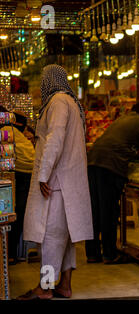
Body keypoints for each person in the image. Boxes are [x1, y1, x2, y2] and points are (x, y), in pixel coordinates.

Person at [17, 64, 93, 300]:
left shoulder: (58, 101)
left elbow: (55, 139)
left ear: (49, 80)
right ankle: (64, 285)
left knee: (50, 236)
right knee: (66, 237)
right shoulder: (70, 102)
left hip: (56, 182)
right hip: (67, 182)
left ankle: (46, 287)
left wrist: (43, 174)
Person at [85, 102, 139, 264]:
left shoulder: (121, 120)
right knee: (108, 211)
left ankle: (92, 253)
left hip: (93, 161)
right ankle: (110, 254)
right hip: (110, 166)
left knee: (95, 211)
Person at [1, 111, 35, 265]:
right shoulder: (19, 134)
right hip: (29, 174)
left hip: (18, 175)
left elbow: (6, 160)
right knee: (18, 214)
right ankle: (13, 254)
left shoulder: (5, 131)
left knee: (10, 214)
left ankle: (10, 255)